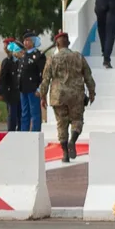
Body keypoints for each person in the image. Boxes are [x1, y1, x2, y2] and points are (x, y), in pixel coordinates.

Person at [38, 31, 95, 163]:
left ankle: (65, 154)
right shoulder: (78, 57)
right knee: (77, 120)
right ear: (68, 43)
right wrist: (92, 92)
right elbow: (88, 76)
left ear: (57, 44)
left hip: (58, 96)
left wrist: (42, 96)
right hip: (76, 95)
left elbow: (45, 79)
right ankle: (72, 141)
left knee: (61, 124)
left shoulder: (52, 59)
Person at [18, 31, 46, 132]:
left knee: (35, 113)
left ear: (33, 42)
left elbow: (43, 74)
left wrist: (40, 88)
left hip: (33, 89)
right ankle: (24, 133)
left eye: (28, 40)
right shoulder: (24, 55)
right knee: (25, 113)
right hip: (23, 88)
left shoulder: (38, 55)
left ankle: (35, 133)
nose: (25, 43)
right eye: (24, 40)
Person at [0, 38, 23, 131]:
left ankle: (21, 133)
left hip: (21, 92)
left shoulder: (21, 60)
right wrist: (0, 92)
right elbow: (2, 78)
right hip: (11, 93)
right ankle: (11, 134)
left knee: (21, 115)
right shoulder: (7, 61)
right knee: (12, 115)